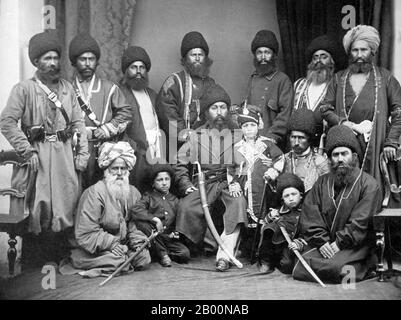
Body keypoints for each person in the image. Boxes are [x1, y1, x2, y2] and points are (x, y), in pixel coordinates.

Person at [0, 31, 89, 239]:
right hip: (37, 156)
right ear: (36, 61)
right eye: (47, 58)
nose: (53, 63)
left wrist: (82, 156)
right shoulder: (23, 89)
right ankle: (35, 259)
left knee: (66, 202)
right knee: (39, 204)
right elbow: (6, 122)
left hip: (64, 154)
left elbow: (78, 123)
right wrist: (26, 151)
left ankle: (59, 253)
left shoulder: (67, 88)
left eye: (55, 58)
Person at [292, 125, 381, 283]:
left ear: (353, 156)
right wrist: (322, 242)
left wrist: (338, 244)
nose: (340, 159)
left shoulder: (369, 184)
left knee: (335, 268)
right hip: (326, 244)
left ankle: (366, 267)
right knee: (299, 264)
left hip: (353, 245)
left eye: (344, 154)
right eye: (335, 155)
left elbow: (360, 222)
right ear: (330, 158)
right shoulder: (322, 182)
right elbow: (311, 214)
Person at [174, 83, 247, 272]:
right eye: (214, 108)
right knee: (187, 206)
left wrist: (237, 182)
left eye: (223, 107)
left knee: (238, 204)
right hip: (204, 183)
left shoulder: (238, 135)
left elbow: (247, 163)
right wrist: (185, 183)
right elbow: (181, 161)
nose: (219, 112)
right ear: (206, 112)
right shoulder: (196, 135)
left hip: (228, 182)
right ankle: (201, 245)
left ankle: (225, 254)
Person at [320, 25, 401, 189]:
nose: (359, 55)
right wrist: (342, 123)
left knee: (375, 190)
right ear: (349, 52)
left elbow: (399, 112)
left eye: (363, 50)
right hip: (347, 143)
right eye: (354, 50)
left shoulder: (385, 78)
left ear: (372, 51)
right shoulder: (338, 79)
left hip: (377, 143)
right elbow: (324, 108)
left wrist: (391, 142)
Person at [70, 141, 151, 277]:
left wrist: (138, 243)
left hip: (122, 246)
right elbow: (86, 232)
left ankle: (123, 259)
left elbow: (134, 225)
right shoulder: (94, 193)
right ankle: (117, 261)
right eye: (115, 168)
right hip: (93, 249)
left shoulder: (133, 192)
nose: (119, 173)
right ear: (106, 170)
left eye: (123, 168)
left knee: (143, 258)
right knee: (119, 260)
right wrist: (112, 244)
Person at [69, 33, 132, 190]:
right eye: (83, 59)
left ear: (97, 62)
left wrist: (107, 129)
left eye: (92, 59)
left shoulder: (109, 88)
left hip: (102, 150)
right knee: (74, 191)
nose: (88, 63)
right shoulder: (65, 90)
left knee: (102, 192)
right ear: (74, 62)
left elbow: (126, 114)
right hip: (73, 151)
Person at [231, 104, 284, 257]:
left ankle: (262, 250)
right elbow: (230, 170)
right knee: (247, 219)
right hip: (245, 188)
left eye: (252, 125)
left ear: (258, 126)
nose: (249, 129)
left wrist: (274, 170)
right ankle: (248, 249)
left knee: (264, 216)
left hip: (263, 186)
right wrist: (233, 184)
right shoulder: (236, 147)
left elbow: (280, 158)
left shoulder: (267, 144)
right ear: (241, 128)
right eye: (245, 125)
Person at [156, 31, 216, 154]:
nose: (198, 58)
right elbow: (167, 113)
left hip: (205, 144)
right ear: (185, 58)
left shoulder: (211, 83)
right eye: (193, 55)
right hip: (178, 145)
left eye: (201, 54)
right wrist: (185, 134)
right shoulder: (174, 81)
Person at [119, 45, 164, 193]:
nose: (138, 71)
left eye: (142, 67)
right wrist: (135, 148)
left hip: (156, 152)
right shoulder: (119, 93)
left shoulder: (152, 94)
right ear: (126, 70)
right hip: (134, 153)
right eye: (133, 67)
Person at [130, 164, 190, 267]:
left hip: (168, 238)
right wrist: (155, 219)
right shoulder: (148, 197)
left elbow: (179, 219)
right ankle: (162, 255)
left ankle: (158, 253)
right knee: (143, 224)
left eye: (167, 179)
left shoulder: (175, 200)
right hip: (154, 235)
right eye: (160, 180)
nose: (164, 183)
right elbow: (136, 209)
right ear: (153, 183)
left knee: (184, 254)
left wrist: (176, 232)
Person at [242, 30, 293, 149]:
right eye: (259, 53)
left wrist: (271, 138)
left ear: (274, 55)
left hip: (273, 143)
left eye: (267, 52)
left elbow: (285, 115)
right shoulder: (253, 79)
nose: (263, 57)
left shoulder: (283, 80)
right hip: (252, 142)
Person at [293, 35, 346, 146]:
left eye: (323, 57)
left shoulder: (339, 85)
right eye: (315, 57)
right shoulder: (299, 85)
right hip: (300, 145)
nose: (318, 61)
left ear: (332, 61)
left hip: (325, 143)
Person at [258, 173, 305, 274]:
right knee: (269, 228)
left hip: (293, 245)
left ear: (301, 195)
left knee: (286, 267)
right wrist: (270, 217)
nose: (291, 198)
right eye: (287, 196)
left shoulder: (306, 211)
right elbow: (264, 225)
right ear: (282, 199)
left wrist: (298, 243)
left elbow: (308, 231)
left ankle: (280, 262)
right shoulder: (279, 212)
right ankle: (266, 261)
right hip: (275, 246)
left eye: (294, 194)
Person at [283, 108, 330, 193]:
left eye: (301, 138)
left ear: (309, 139)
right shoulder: (283, 160)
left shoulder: (320, 162)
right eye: (293, 137)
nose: (296, 142)